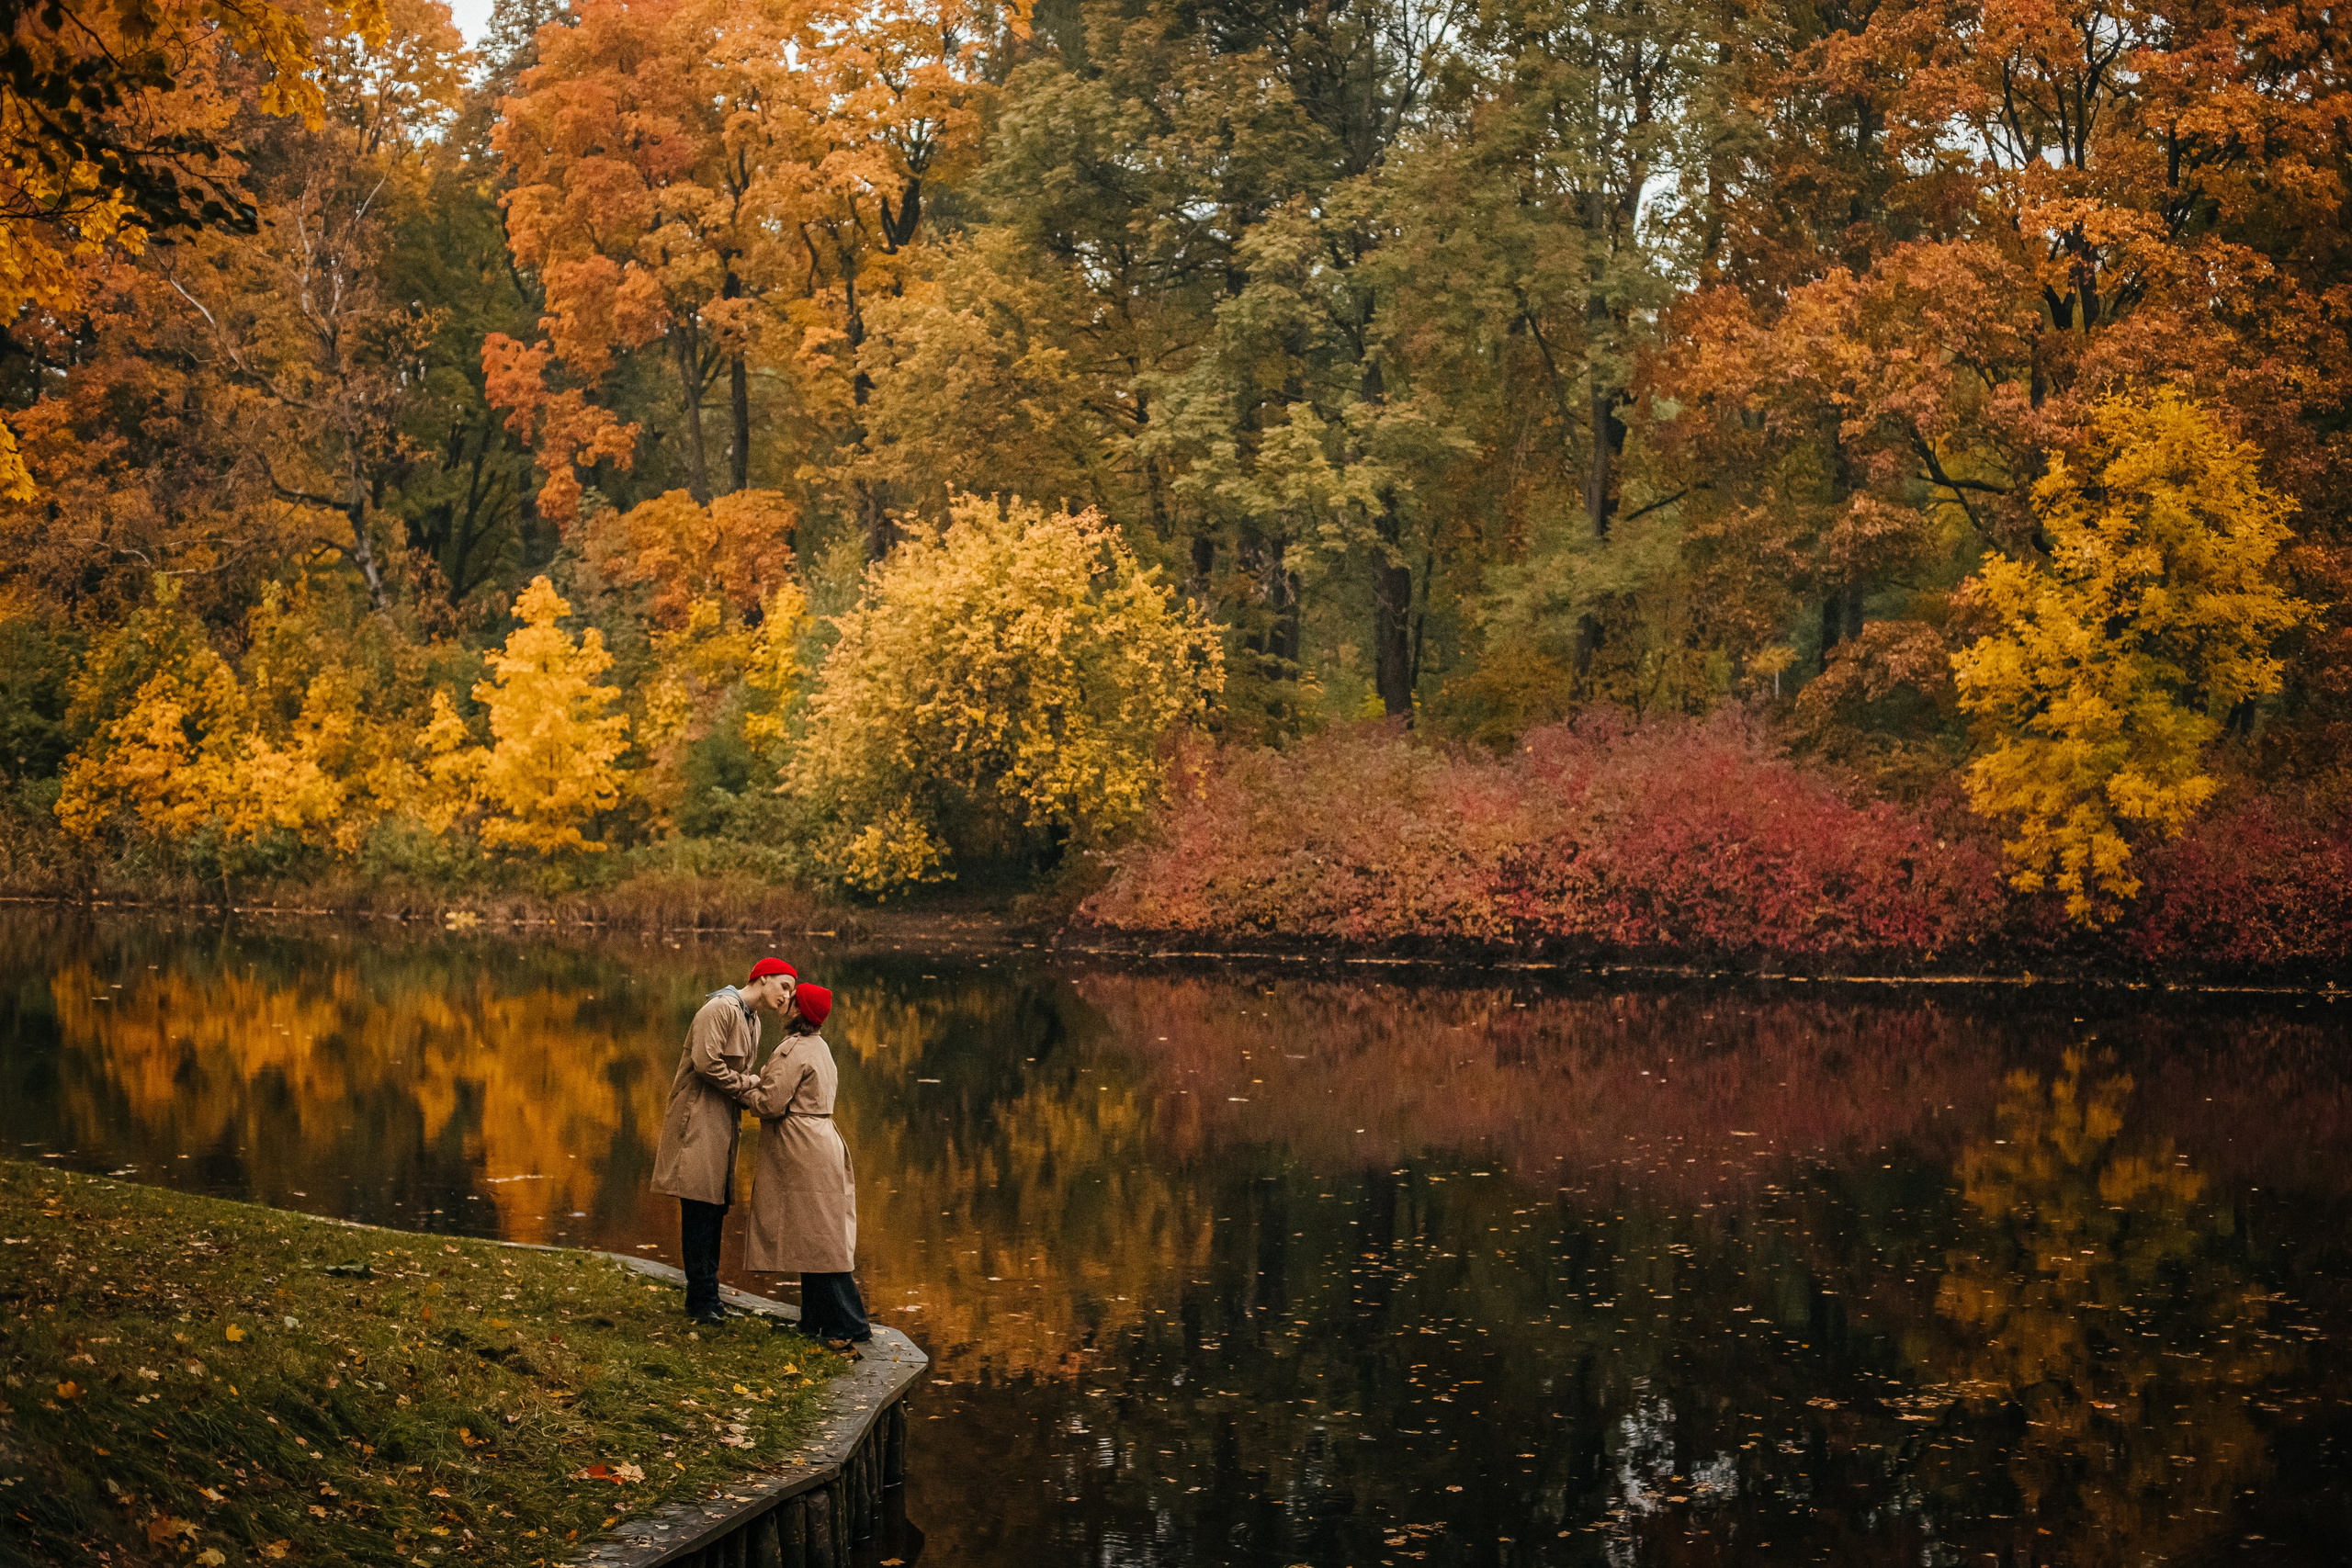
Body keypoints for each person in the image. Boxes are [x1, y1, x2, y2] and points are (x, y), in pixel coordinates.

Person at [650, 957, 797, 1323]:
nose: (787, 995)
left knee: (715, 1209)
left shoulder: (753, 1020)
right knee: (699, 1209)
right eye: (783, 986)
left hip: (723, 1123)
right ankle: (700, 1302)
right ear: (763, 978)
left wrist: (753, 1093)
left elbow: (735, 1073)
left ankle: (709, 1298)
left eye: (791, 990)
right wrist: (749, 1085)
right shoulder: (719, 1009)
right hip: (697, 1121)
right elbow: (706, 1064)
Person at [741, 982, 872, 1352]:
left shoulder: (795, 1050)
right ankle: (816, 1321)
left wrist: (742, 1090)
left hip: (802, 1147)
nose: (786, 1000)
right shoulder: (820, 1047)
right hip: (819, 1141)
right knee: (814, 1236)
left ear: (800, 1011)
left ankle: (851, 1324)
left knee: (822, 1240)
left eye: (792, 998)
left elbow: (771, 1103)